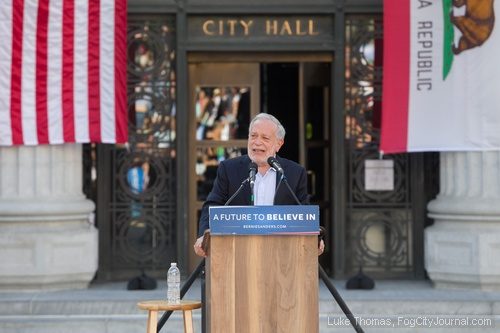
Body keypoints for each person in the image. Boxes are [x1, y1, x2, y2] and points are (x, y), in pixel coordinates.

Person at [193, 113, 325, 257]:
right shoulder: (229, 169)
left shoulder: (294, 173)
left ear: (279, 144)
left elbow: (303, 214)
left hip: (281, 256)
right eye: (253, 136)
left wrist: (314, 239)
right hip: (236, 256)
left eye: (265, 138)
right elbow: (213, 205)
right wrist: (203, 236)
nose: (257, 142)